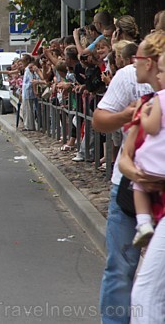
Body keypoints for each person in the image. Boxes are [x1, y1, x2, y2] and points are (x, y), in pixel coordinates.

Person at [93, 31, 162, 323]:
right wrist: (126, 116)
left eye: (140, 58)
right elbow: (99, 121)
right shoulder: (126, 79)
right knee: (121, 267)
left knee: (149, 284)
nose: (134, 62)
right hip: (129, 191)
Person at [129, 53, 165, 247]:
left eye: (162, 72)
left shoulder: (158, 98)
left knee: (138, 185)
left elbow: (151, 127)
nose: (158, 77)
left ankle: (143, 222)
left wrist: (143, 114)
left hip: (154, 165)